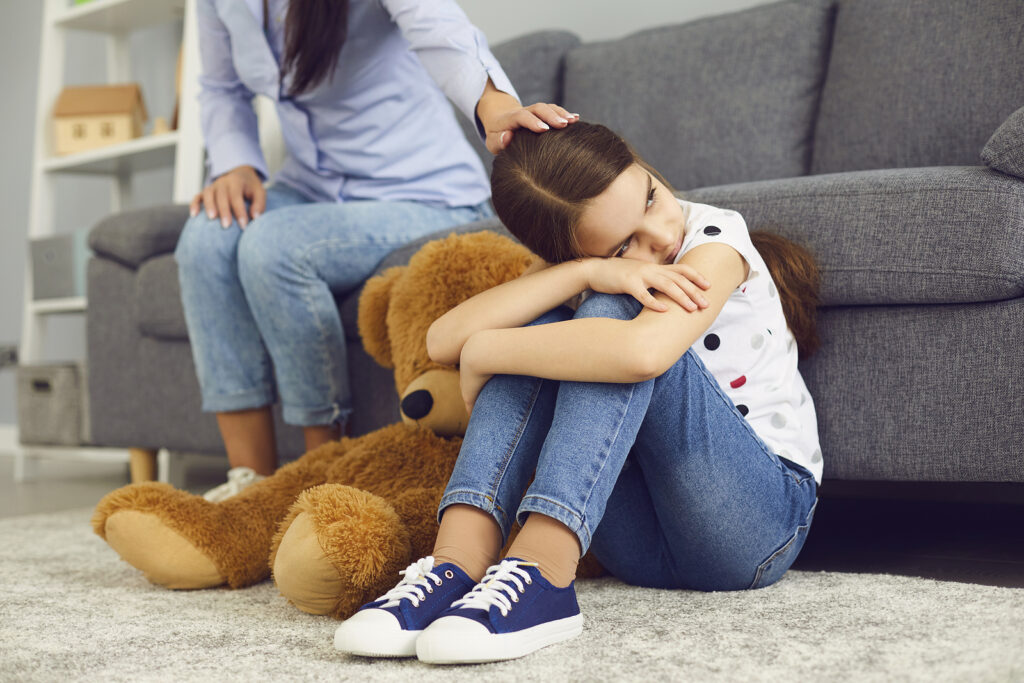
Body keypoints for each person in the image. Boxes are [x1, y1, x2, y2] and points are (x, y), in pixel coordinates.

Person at [333, 122, 823, 664]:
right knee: (552, 311)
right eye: (621, 245)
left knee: (616, 312)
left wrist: (488, 352)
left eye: (651, 199)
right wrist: (584, 272)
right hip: (635, 542)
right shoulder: (586, 264)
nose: (659, 237)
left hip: (756, 526)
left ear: (641, 163)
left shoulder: (716, 238)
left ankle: (545, 572)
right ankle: (456, 564)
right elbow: (442, 339)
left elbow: (643, 355)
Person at [175, 0, 578, 502]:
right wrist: (236, 164)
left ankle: (319, 474)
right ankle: (251, 484)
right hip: (314, 187)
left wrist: (497, 107)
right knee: (206, 239)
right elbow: (221, 86)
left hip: (424, 193)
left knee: (273, 248)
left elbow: (438, 26)